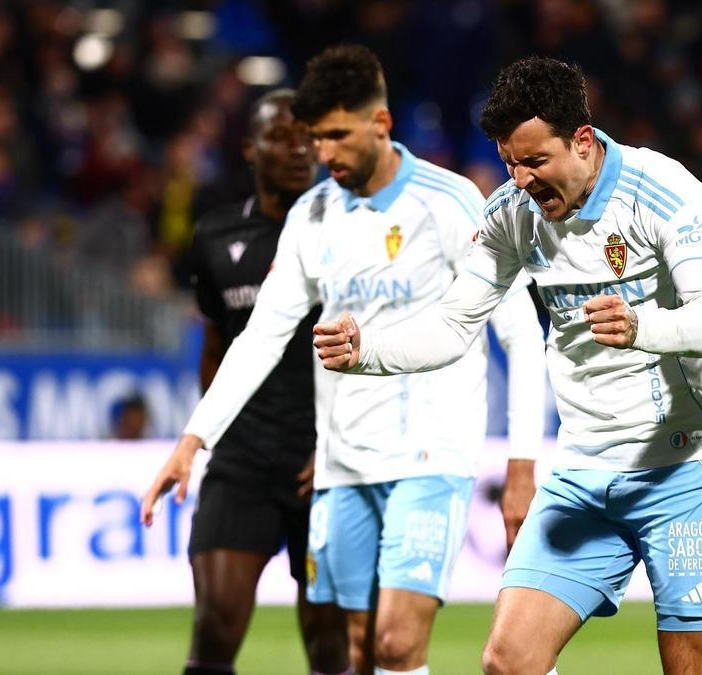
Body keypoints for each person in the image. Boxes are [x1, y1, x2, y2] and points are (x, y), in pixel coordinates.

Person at [314, 56, 702, 675]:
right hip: (583, 471)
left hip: (686, 470)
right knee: (508, 660)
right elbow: (453, 324)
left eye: (534, 161)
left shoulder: (665, 191)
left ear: (581, 140)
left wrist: (642, 327)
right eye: (509, 163)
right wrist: (370, 350)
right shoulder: (511, 213)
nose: (520, 179)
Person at [141, 46, 547, 675]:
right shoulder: (313, 214)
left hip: (430, 457)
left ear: (380, 125)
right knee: (355, 651)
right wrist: (194, 439)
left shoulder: (451, 201)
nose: (321, 155)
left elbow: (521, 332)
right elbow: (261, 335)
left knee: (395, 643)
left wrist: (522, 464)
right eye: (315, 138)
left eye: (335, 136)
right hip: (343, 464)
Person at [140, 89, 349, 675]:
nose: (298, 148)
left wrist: (338, 442)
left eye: (308, 136)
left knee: (332, 648)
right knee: (213, 630)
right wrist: (213, 430)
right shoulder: (214, 237)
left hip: (326, 461)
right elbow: (217, 346)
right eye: (281, 136)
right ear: (249, 148)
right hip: (244, 461)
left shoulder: (348, 232)